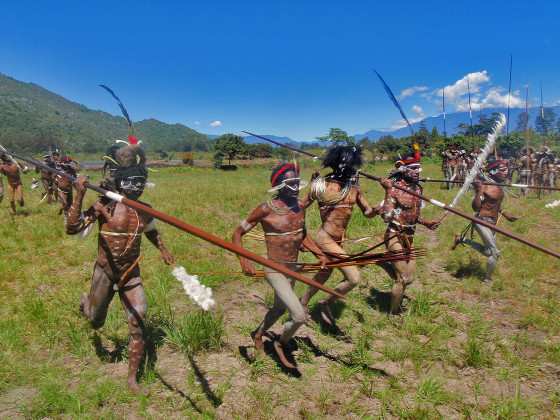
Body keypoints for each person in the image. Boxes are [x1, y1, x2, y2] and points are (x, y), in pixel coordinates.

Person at [65, 144, 173, 395]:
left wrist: (163, 249)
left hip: (130, 275)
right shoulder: (104, 205)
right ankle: (87, 306)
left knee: (139, 325)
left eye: (142, 182)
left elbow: (151, 231)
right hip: (105, 272)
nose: (138, 187)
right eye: (132, 182)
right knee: (95, 323)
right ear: (121, 183)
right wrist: (79, 194)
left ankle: (132, 380)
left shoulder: (145, 210)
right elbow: (72, 228)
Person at [232, 162, 328, 368]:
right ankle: (280, 343)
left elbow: (302, 234)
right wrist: (244, 259)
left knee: (278, 310)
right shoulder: (265, 210)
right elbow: (237, 233)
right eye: (290, 185)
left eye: (297, 184)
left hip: (292, 269)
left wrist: (318, 253)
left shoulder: (300, 208)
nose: (295, 189)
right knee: (299, 316)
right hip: (274, 269)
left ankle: (257, 335)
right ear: (279, 187)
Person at [299, 145, 380, 325]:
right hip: (325, 238)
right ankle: (326, 302)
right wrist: (302, 236)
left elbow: (367, 212)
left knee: (324, 274)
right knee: (353, 278)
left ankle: (302, 303)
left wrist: (376, 209)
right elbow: (300, 207)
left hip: (339, 241)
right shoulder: (321, 186)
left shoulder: (354, 189)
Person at [377, 144, 440, 315]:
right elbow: (387, 216)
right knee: (402, 278)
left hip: (409, 237)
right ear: (404, 170)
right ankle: (394, 312)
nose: (418, 172)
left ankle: (384, 263)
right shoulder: (395, 190)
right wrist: (388, 191)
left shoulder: (418, 189)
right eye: (414, 169)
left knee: (410, 279)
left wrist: (425, 222)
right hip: (394, 234)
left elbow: (413, 214)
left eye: (419, 168)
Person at [451, 159, 518, 283]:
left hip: (492, 223)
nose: (506, 173)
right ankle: (486, 280)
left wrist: (505, 214)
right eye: (502, 170)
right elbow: (476, 208)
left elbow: (495, 203)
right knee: (495, 252)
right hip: (482, 221)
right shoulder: (485, 186)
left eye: (506, 170)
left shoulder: (499, 186)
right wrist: (477, 191)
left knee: (488, 251)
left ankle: (461, 239)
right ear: (493, 172)